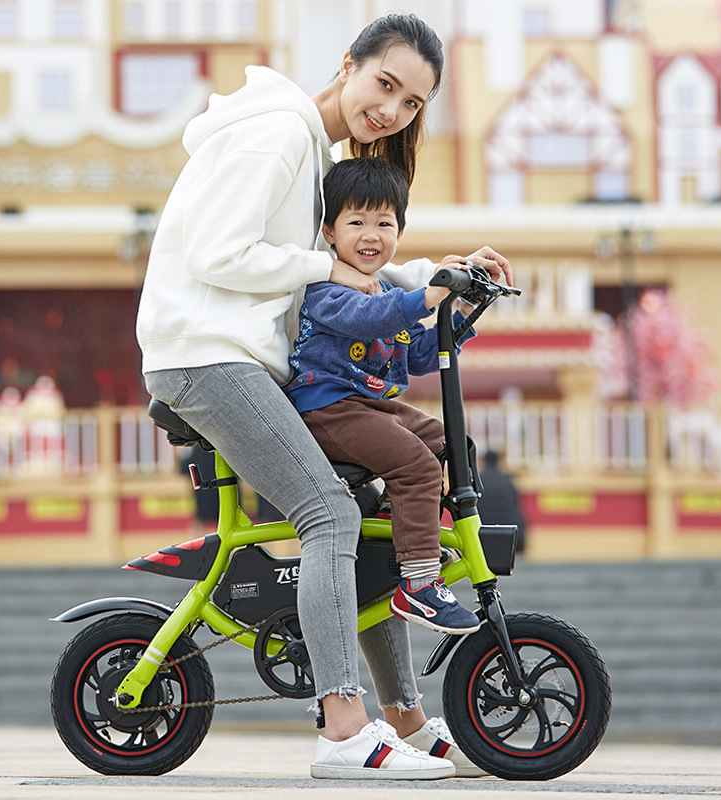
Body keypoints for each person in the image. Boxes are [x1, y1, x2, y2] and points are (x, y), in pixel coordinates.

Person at [136, 13, 512, 780]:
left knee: (370, 518)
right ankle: (344, 730)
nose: (392, 110)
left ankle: (403, 717)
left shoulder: (320, 155)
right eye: (385, 84)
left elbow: (346, 270)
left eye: (412, 103)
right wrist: (329, 269)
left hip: (244, 360)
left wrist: (440, 278)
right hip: (207, 357)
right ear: (348, 64)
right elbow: (220, 254)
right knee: (330, 515)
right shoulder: (280, 134)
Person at [286, 157, 481, 635]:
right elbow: (370, 319)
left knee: (448, 442)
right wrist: (428, 297)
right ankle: (419, 583)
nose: (370, 235)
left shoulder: (388, 290)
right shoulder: (326, 288)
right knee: (416, 465)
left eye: (384, 223)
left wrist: (466, 309)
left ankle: (402, 532)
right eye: (356, 222)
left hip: (370, 408)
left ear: (400, 231)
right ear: (329, 232)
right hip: (328, 408)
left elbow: (421, 355)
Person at [478, 450, 527, 553]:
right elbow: (516, 510)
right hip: (507, 534)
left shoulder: (478, 481)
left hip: (482, 534)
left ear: (483, 461)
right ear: (498, 462)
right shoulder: (507, 482)